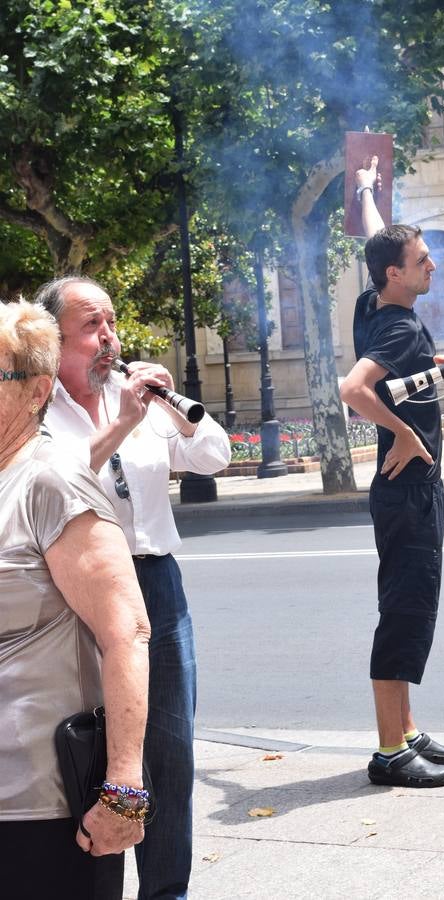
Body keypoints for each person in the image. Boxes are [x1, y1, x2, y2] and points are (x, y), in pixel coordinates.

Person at [35, 276, 232, 900]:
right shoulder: (35, 409)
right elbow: (54, 486)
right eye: (92, 326)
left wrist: (172, 404)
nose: (109, 339)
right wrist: (120, 426)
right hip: (80, 588)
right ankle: (95, 885)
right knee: (96, 749)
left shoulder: (134, 395)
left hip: (156, 583)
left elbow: (215, 457)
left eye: (111, 323)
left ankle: (166, 889)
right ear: (52, 341)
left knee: (171, 751)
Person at [0, 300, 151, 900]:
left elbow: (127, 634)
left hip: (41, 808)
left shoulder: (51, 481)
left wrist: (124, 792)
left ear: (36, 391)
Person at [340, 156, 444, 788]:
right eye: (422, 261)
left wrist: (366, 191)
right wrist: (406, 433)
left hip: (406, 489)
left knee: (411, 606)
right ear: (397, 275)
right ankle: (390, 751)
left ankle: (408, 732)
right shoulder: (393, 326)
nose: (432, 263)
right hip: (408, 487)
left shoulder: (374, 300)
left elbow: (376, 237)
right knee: (406, 611)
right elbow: (351, 388)